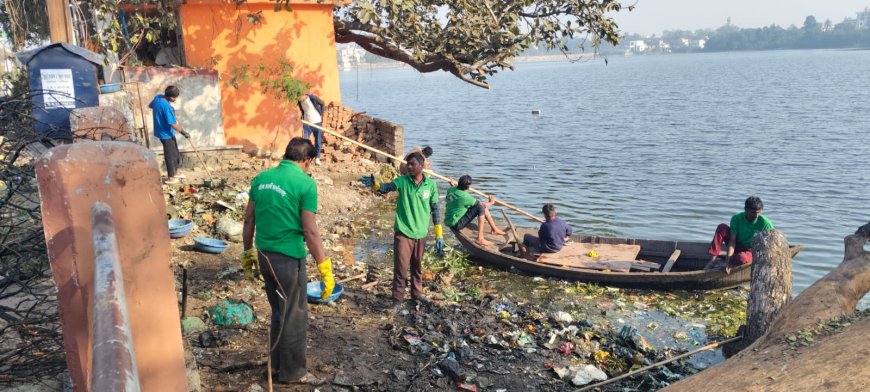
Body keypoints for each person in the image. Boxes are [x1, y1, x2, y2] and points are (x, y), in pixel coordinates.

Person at [241, 137, 334, 384]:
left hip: (264, 256)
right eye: (310, 163)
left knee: (278, 312)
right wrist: (325, 267)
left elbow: (248, 220)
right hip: (288, 260)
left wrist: (247, 252)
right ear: (307, 160)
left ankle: (275, 366)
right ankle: (294, 373)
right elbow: (310, 232)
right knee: (295, 315)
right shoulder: (305, 184)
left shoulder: (260, 179)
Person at [373, 151, 442, 308]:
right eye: (407, 164)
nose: (408, 167)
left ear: (422, 166)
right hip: (403, 233)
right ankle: (397, 300)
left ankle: (416, 294)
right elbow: (387, 187)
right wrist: (376, 185)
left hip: (421, 234)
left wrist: (439, 234)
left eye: (412, 164)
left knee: (417, 266)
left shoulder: (430, 185)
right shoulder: (403, 181)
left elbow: (435, 209)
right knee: (401, 268)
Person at [704, 196, 774, 274]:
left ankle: (725, 254)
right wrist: (727, 263)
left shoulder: (766, 224)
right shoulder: (737, 218)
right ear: (746, 210)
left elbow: (769, 246)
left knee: (742, 258)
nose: (756, 215)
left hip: (751, 250)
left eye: (759, 212)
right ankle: (713, 260)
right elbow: (732, 242)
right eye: (753, 213)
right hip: (738, 245)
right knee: (722, 228)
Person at [444, 175, 506, 246]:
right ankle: (480, 239)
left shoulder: (451, 189)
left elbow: (454, 189)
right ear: (467, 187)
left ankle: (494, 229)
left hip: (449, 220)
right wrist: (491, 202)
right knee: (481, 208)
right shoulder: (464, 196)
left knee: (481, 207)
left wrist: (452, 185)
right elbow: (481, 204)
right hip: (456, 224)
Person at [149, 85, 189, 183]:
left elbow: (150, 105)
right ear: (170, 97)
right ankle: (171, 177)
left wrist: (170, 108)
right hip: (165, 133)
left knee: (175, 152)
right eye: (174, 98)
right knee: (170, 154)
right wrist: (183, 132)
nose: (175, 99)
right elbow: (172, 124)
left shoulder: (158, 97)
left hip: (164, 131)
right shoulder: (166, 106)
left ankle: (176, 172)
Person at [297, 92, 326, 166]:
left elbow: (322, 103)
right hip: (307, 124)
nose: (298, 99)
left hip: (317, 123)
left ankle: (317, 158)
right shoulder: (300, 101)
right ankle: (305, 158)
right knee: (304, 142)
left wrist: (321, 113)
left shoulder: (312, 98)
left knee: (318, 142)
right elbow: (302, 111)